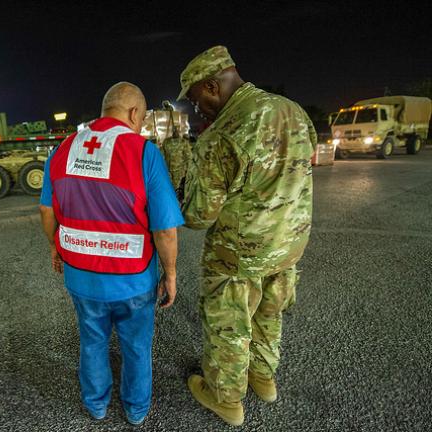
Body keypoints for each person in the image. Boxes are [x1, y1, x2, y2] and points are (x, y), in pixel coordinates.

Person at [177, 46, 316, 426]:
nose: (197, 109)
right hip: (290, 244)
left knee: (229, 324)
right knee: (270, 313)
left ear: (211, 85)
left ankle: (226, 399)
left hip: (239, 253)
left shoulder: (222, 134)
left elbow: (199, 216)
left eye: (195, 99)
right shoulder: (293, 111)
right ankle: (263, 379)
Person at [39, 82, 184, 426]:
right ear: (135, 113)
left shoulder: (62, 149)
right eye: (143, 117)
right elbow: (165, 230)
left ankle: (96, 405)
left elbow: (47, 212)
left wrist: (54, 247)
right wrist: (172, 273)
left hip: (81, 275)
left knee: (92, 340)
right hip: (132, 280)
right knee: (136, 347)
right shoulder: (143, 152)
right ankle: (135, 410)